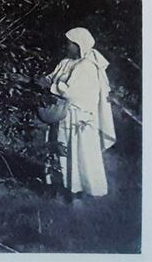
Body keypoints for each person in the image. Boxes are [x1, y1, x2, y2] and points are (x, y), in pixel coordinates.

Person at [38, 28, 116, 199]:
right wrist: (46, 80)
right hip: (61, 114)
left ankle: (80, 193)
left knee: (79, 154)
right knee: (60, 150)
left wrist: (51, 87)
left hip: (78, 118)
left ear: (79, 45)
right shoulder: (66, 62)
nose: (67, 46)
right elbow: (54, 77)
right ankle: (61, 187)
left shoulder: (87, 66)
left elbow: (72, 93)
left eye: (70, 43)